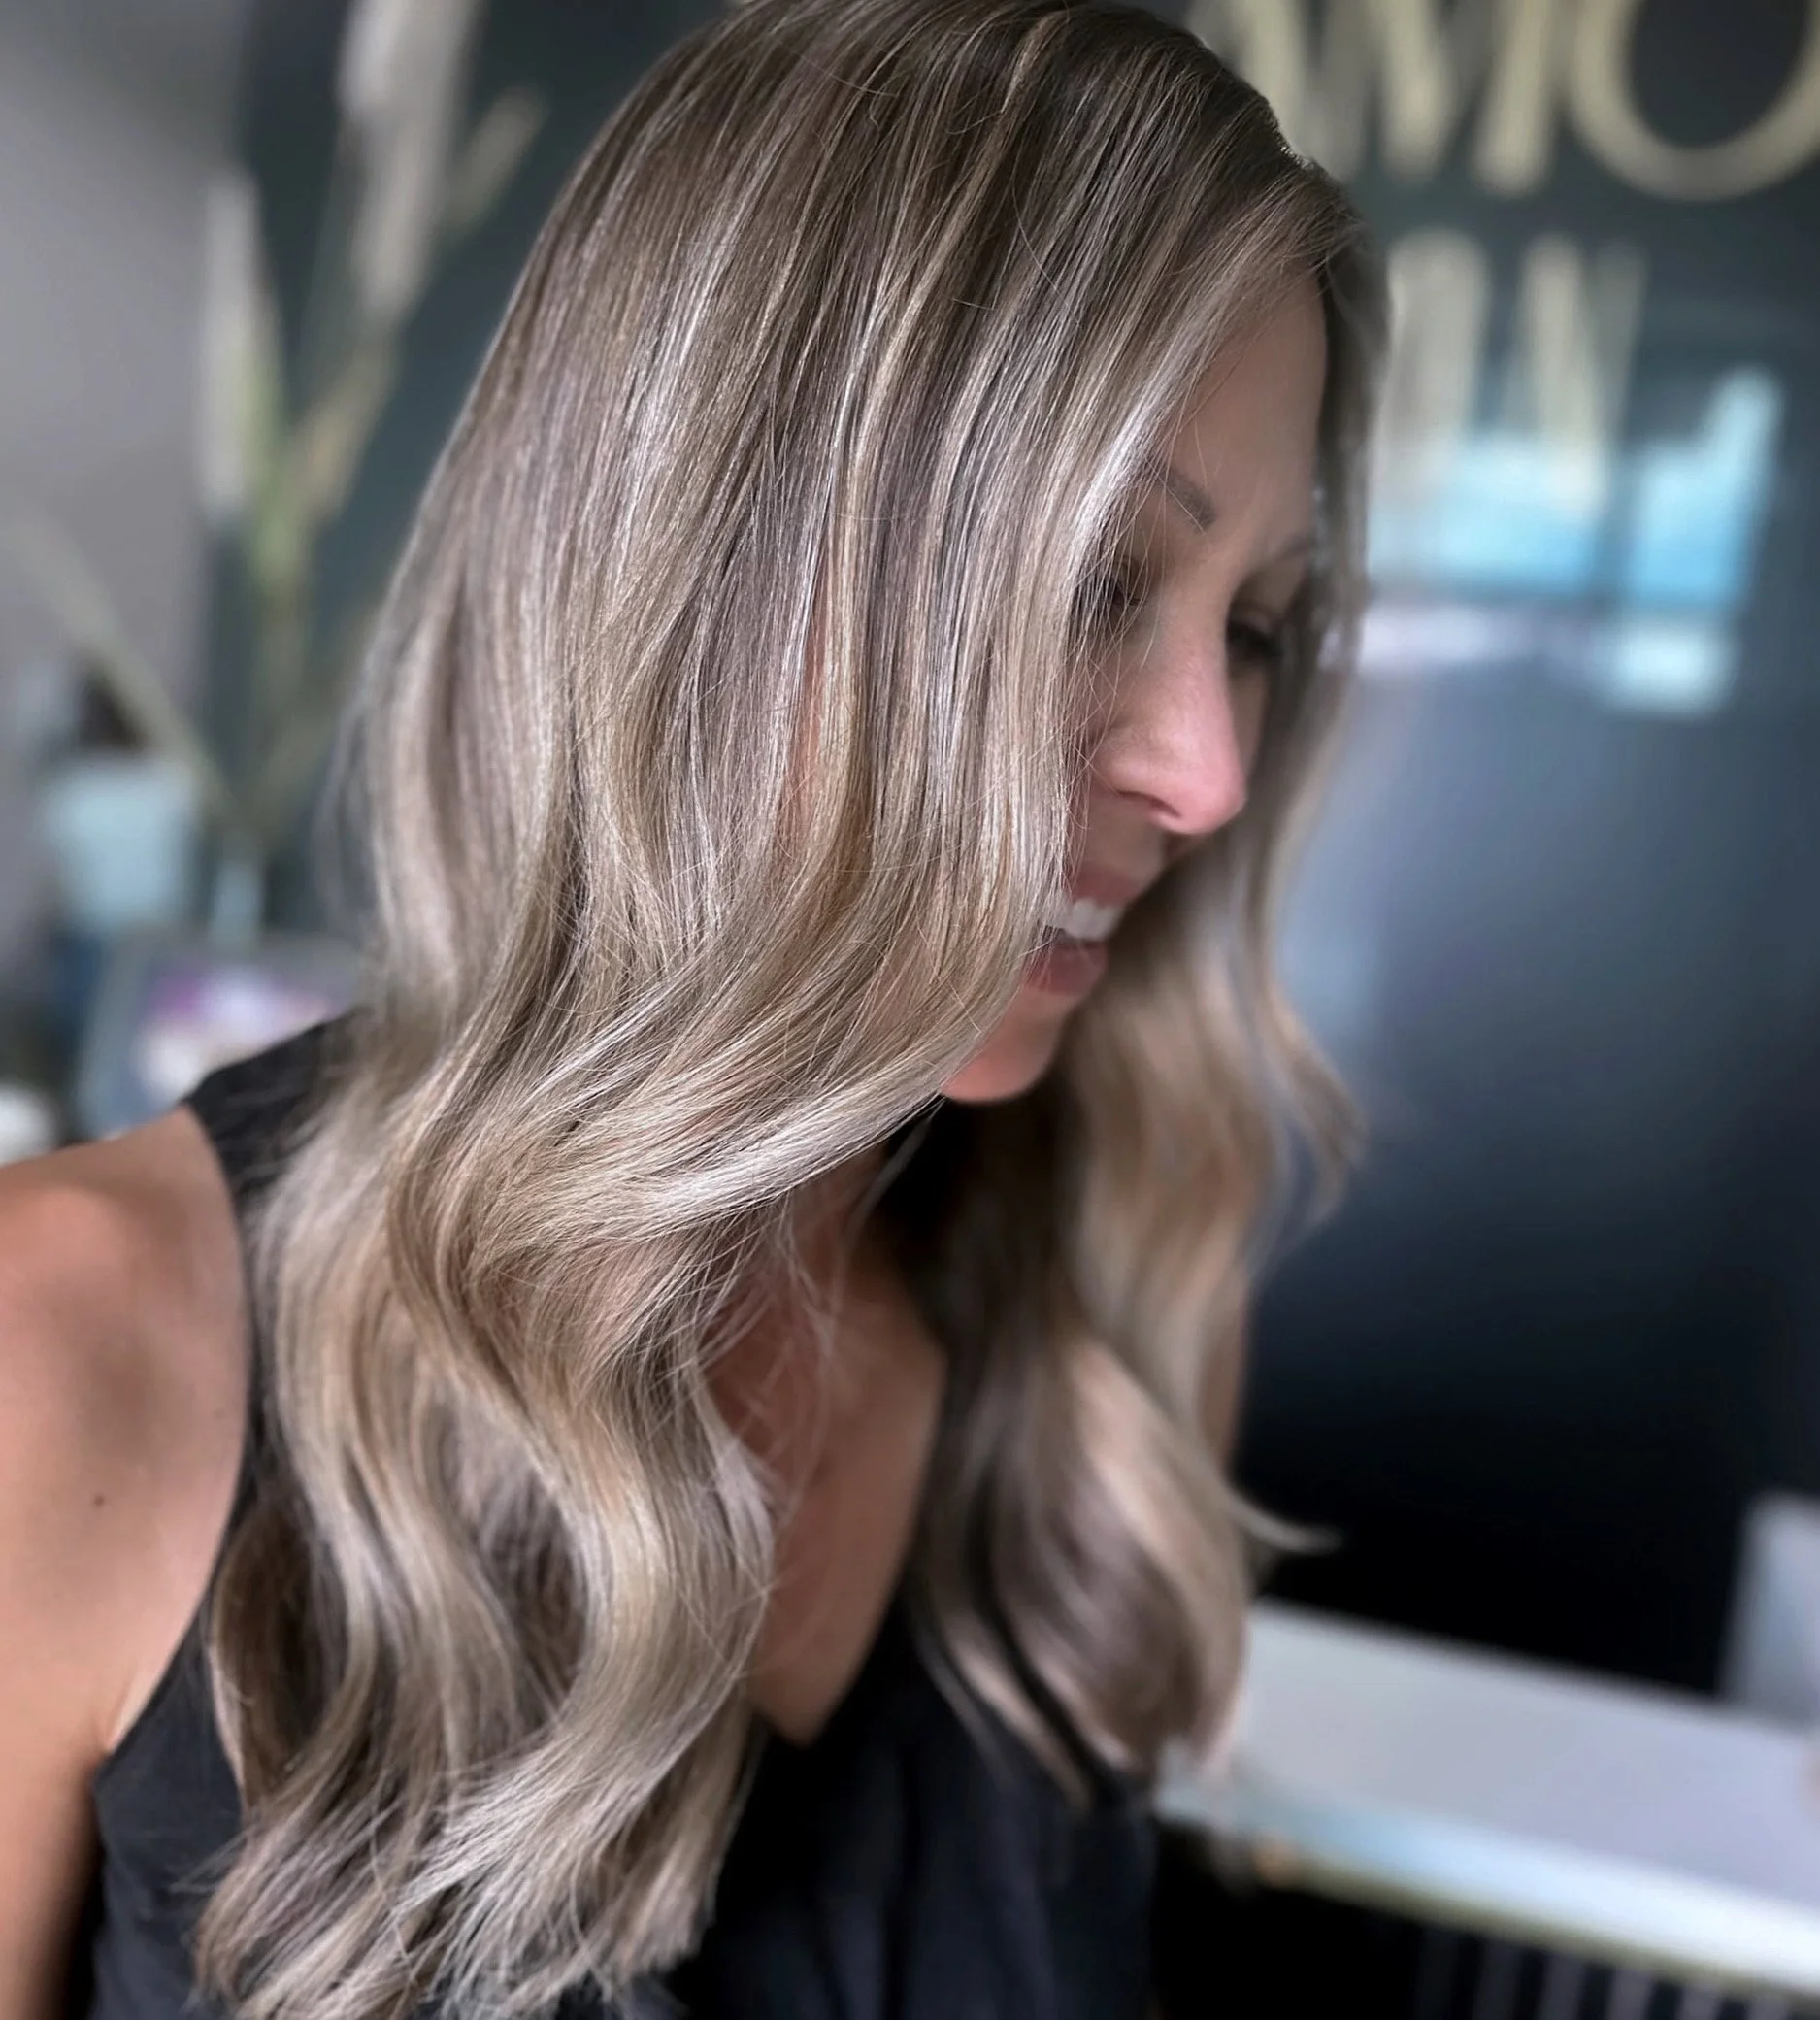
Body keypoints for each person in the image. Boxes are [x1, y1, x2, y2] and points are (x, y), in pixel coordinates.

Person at [0, 1, 1382, 2014]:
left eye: (1253, 625)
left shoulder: (1110, 1342)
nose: (1209, 769)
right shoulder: (64, 1355)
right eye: (1098, 581)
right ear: (705, 561)